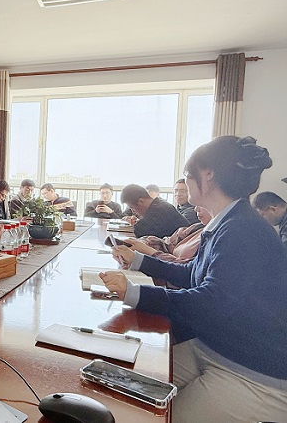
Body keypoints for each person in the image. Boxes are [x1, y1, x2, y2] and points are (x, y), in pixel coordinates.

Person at [101, 136, 287, 423]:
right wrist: (138, 260)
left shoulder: (243, 230)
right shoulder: (228, 220)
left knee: (158, 417)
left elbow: (211, 301)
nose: (186, 182)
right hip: (214, 347)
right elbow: (193, 274)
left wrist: (136, 293)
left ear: (208, 175)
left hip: (253, 370)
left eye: (189, 174)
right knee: (132, 385)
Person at [120, 184, 189, 238]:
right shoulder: (158, 203)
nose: (133, 211)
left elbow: (140, 231)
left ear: (141, 201)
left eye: (132, 208)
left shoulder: (159, 210)